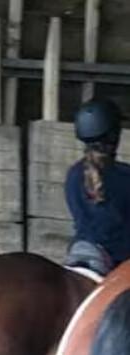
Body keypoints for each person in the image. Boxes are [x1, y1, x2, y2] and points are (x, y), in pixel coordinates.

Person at [64, 96, 130, 276]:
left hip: (79, 252)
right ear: (115, 135)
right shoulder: (125, 176)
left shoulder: (73, 174)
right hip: (116, 260)